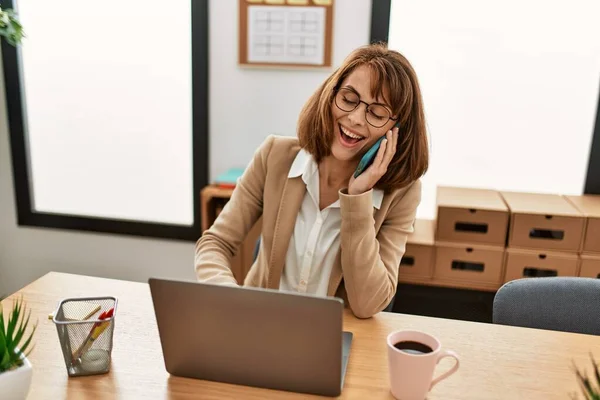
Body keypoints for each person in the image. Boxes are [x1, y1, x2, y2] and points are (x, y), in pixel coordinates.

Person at [195, 43, 429, 319]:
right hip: (258, 326)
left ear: (395, 130)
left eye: (377, 113)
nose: (354, 119)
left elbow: (369, 304)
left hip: (335, 340)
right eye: (349, 99)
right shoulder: (275, 156)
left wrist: (357, 199)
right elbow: (215, 243)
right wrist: (229, 295)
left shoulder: (402, 194)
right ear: (330, 94)